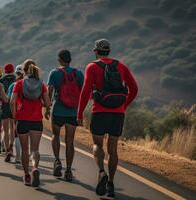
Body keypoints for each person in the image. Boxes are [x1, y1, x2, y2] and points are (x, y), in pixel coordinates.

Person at [77, 39, 138, 197]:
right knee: (113, 149)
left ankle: (101, 172)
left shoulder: (92, 67)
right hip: (118, 114)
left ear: (96, 51)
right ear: (109, 51)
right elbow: (134, 89)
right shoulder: (122, 66)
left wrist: (79, 113)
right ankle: (111, 184)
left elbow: (85, 92)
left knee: (97, 145)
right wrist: (124, 105)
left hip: (100, 112)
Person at [10, 60, 51, 187]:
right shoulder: (41, 84)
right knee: (35, 149)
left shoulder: (19, 84)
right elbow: (48, 102)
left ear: (24, 70)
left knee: (24, 149)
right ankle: (34, 168)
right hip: (36, 121)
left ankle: (27, 175)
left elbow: (12, 102)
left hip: (22, 119)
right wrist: (46, 110)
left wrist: (14, 115)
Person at [47, 50, 84, 182]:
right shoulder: (78, 73)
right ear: (70, 59)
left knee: (55, 135)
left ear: (59, 59)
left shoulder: (54, 73)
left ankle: (57, 161)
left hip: (58, 110)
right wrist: (81, 111)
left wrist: (47, 108)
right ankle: (68, 169)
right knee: (70, 140)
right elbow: (84, 92)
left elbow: (49, 92)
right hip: (73, 112)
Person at [0, 64, 16, 162]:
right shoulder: (16, 79)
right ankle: (11, 147)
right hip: (14, 106)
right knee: (12, 128)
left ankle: (6, 150)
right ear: (13, 70)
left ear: (4, 70)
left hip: (4, 106)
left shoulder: (0, 80)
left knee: (5, 130)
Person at [7, 65, 24, 164]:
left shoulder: (13, 85)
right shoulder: (30, 83)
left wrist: (13, 115)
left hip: (18, 113)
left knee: (17, 135)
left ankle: (18, 157)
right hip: (30, 113)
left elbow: (9, 100)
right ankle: (29, 155)